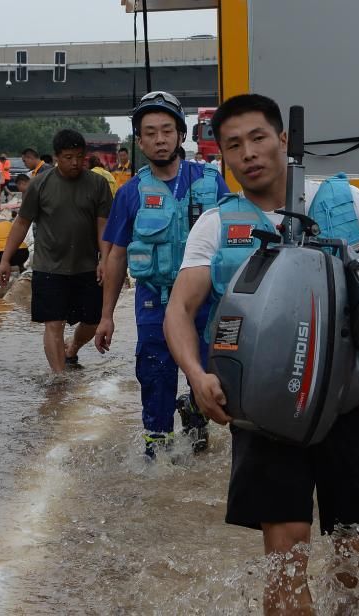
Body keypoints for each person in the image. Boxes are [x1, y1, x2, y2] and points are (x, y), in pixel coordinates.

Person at [163, 94, 359, 613]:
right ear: (223, 157)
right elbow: (178, 310)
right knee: (284, 564)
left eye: (259, 138)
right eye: (234, 146)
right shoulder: (215, 225)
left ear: (284, 140)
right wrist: (197, 376)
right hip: (265, 415)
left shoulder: (344, 201)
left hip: (355, 404)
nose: (248, 154)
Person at [95, 91, 230, 458]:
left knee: (212, 376)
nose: (159, 139)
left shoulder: (212, 183)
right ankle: (157, 450)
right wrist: (106, 316)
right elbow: (116, 255)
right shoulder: (131, 193)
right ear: (139, 141)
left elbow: (237, 242)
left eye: (167, 131)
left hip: (207, 303)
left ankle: (194, 411)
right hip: (155, 301)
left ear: (181, 135)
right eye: (150, 133)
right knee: (155, 376)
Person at [0, 129, 113, 373]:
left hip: (87, 266)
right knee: (54, 323)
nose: (74, 163)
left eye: (79, 157)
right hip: (49, 266)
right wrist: (5, 259)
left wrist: (104, 258)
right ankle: (59, 379)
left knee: (92, 320)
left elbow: (103, 225)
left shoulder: (97, 184)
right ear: (57, 157)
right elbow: (21, 223)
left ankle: (73, 349)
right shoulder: (40, 184)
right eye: (68, 157)